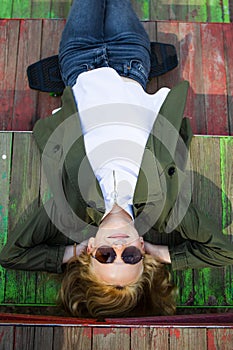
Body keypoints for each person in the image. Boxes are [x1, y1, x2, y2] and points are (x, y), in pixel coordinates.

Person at [0, 0, 233, 318]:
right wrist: (163, 254)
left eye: (107, 256)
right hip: (132, 63)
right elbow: (224, 251)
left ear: (91, 252)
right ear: (142, 251)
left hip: (78, 64)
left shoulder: (71, 207)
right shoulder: (166, 209)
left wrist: (70, 253)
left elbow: (11, 254)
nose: (120, 248)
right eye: (133, 257)